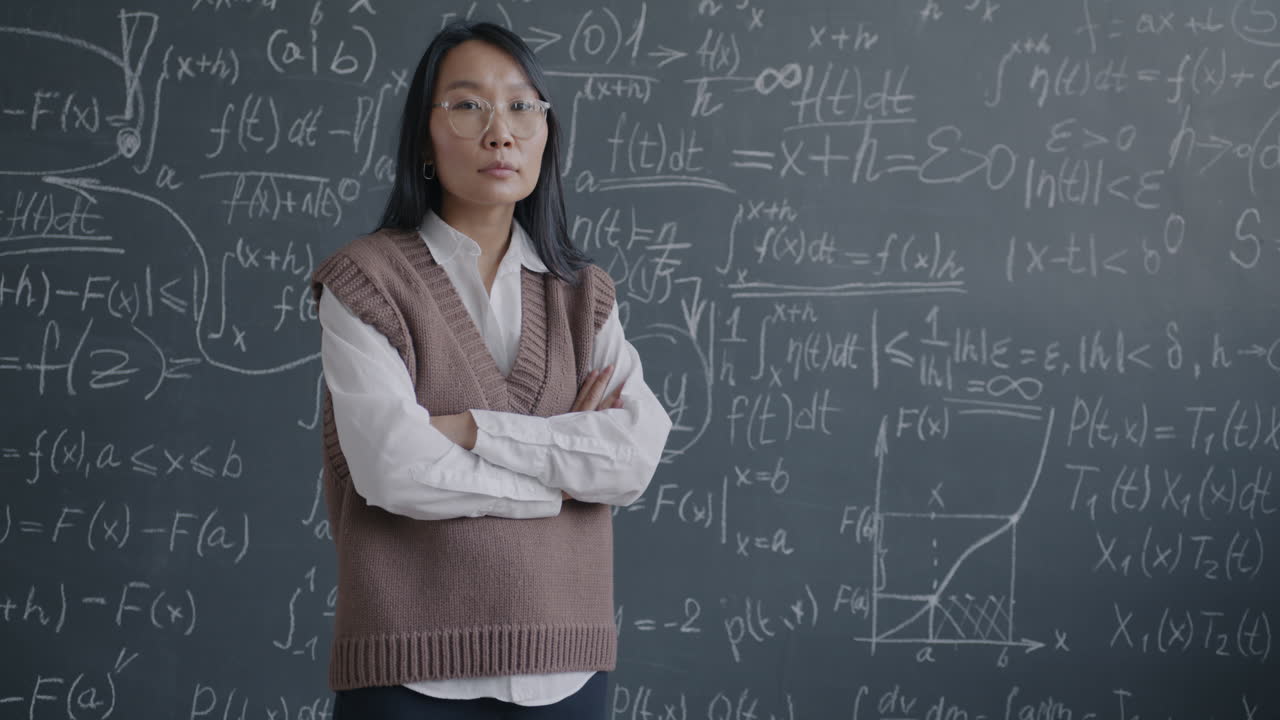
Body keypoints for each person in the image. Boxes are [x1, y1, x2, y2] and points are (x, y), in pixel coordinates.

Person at [309, 19, 672, 719]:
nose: (500, 132)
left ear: (545, 134)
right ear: (424, 137)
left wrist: (470, 430)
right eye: (469, 105)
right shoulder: (365, 283)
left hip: (566, 669)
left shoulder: (583, 294)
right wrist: (557, 484)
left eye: (522, 107)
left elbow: (629, 461)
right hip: (406, 672)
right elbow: (393, 469)